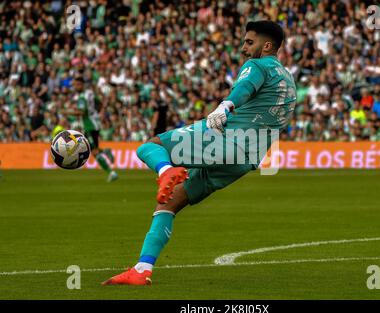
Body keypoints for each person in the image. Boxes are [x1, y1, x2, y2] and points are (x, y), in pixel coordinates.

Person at [102, 20, 297, 286]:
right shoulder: (288, 79)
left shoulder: (257, 65)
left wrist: (225, 105)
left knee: (150, 146)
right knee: (169, 203)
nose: (243, 48)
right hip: (245, 161)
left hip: (228, 142)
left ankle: (166, 170)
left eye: (249, 42)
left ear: (267, 45)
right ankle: (142, 269)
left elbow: (244, 87)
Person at [65, 77, 118, 182]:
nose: (75, 87)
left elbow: (82, 112)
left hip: (89, 125)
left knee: (93, 151)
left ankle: (111, 172)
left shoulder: (81, 97)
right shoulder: (90, 93)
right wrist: (101, 113)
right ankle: (107, 157)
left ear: (81, 84)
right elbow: (100, 104)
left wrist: (67, 112)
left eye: (76, 85)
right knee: (93, 150)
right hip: (95, 123)